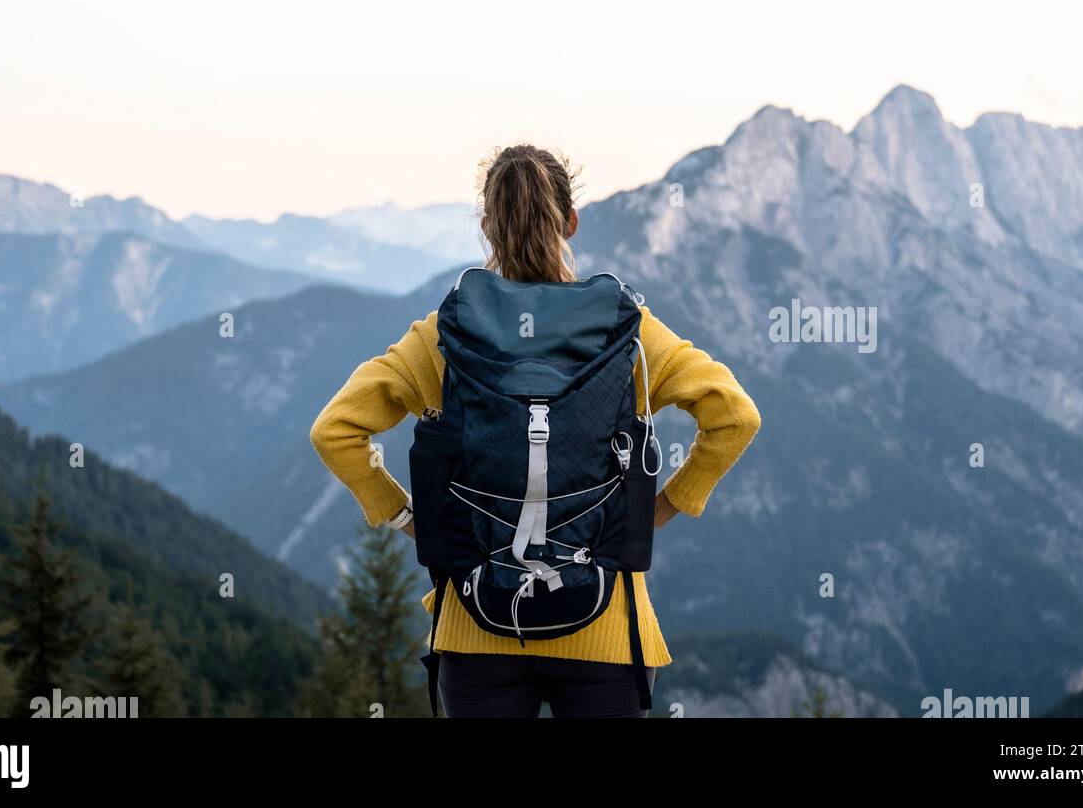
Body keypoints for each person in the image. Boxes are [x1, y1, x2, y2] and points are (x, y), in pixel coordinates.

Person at [311, 144, 761, 718]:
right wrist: (661, 509)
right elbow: (734, 416)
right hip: (606, 625)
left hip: (478, 627)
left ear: (486, 229)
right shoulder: (629, 336)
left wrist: (408, 520)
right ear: (571, 222)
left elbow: (336, 431)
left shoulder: (443, 338)